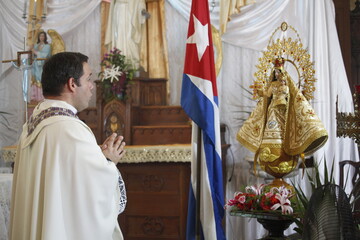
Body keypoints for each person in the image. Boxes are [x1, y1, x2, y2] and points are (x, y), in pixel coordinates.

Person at [9, 52, 127, 240]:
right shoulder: (70, 129)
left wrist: (98, 158)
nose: (91, 86)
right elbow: (91, 200)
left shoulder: (32, 124)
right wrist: (108, 161)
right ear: (72, 84)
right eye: (88, 78)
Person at [237, 58, 328, 178]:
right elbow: (267, 95)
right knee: (271, 130)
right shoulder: (273, 85)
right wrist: (260, 92)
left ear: (283, 73)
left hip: (284, 112)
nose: (277, 74)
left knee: (284, 131)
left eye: (279, 72)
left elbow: (294, 97)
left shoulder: (288, 85)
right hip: (273, 111)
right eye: (276, 72)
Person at [30, 31, 51, 102]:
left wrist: (34, 51)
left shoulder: (47, 46)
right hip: (35, 65)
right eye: (40, 36)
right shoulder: (36, 46)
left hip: (42, 65)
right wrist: (30, 49)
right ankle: (34, 96)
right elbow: (31, 56)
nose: (41, 37)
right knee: (34, 79)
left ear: (45, 37)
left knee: (41, 78)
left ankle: (41, 97)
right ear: (38, 37)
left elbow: (44, 55)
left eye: (43, 36)